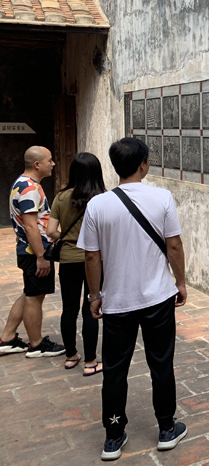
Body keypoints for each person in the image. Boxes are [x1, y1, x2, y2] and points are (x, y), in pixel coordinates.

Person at [78, 137, 188, 461]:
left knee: (114, 370)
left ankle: (113, 436)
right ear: (144, 164)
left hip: (117, 302)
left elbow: (91, 256)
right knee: (161, 363)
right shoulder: (162, 197)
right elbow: (174, 245)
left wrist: (94, 295)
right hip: (158, 299)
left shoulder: (98, 205)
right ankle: (166, 428)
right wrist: (180, 282)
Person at [0, 146, 65, 358]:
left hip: (29, 250)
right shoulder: (29, 188)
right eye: (50, 160)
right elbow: (30, 226)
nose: (53, 164)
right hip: (33, 251)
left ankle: (8, 338)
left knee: (30, 293)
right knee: (35, 297)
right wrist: (41, 256)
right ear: (37, 164)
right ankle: (36, 345)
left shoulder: (24, 184)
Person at [47, 152, 106, 375]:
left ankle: (71, 356)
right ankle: (91, 362)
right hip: (95, 261)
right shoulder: (102, 199)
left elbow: (50, 231)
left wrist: (69, 239)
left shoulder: (61, 198)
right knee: (91, 308)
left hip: (68, 260)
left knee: (69, 309)